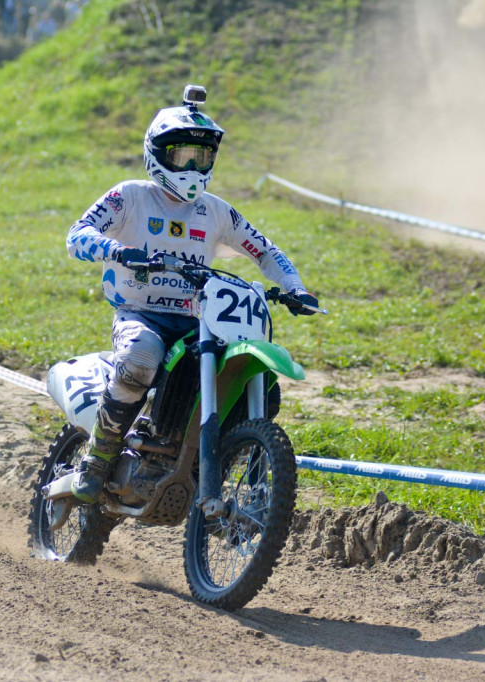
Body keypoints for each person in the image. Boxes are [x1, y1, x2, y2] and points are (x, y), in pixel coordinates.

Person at [64, 86, 319, 503]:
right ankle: (97, 458)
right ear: (157, 153)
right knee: (139, 359)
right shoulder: (130, 196)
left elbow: (264, 250)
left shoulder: (216, 211)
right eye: (182, 156)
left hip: (200, 317)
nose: (192, 166)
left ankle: (211, 465)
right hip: (140, 313)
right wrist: (118, 250)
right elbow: (78, 235)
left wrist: (295, 289)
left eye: (201, 158)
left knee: (259, 383)